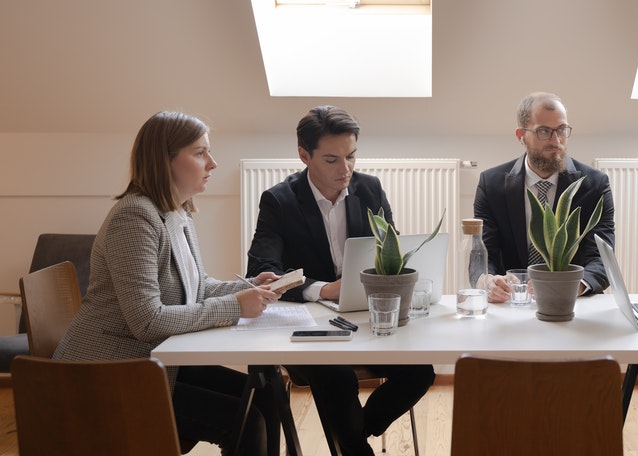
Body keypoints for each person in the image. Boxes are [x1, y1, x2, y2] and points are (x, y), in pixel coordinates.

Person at [54, 111, 284, 455]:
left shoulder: (177, 213)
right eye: (200, 152)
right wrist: (235, 306)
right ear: (165, 161)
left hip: (152, 364)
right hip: (105, 377)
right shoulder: (134, 217)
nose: (213, 163)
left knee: (267, 394)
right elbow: (147, 321)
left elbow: (198, 287)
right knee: (247, 418)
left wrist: (248, 287)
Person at [246, 105, 435, 456]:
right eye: (332, 160)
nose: (346, 169)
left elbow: (390, 254)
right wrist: (322, 289)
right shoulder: (279, 200)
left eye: (351, 156)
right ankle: (355, 448)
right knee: (336, 376)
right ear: (305, 155)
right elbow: (260, 271)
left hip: (363, 320)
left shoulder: (370, 189)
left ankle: (356, 436)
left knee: (420, 371)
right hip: (306, 329)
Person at [473, 92, 615, 302]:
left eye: (561, 130)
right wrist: (487, 281)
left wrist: (573, 286)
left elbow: (602, 259)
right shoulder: (491, 184)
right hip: (512, 302)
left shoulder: (595, 185)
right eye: (543, 132)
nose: (556, 140)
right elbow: (483, 254)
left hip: (571, 302)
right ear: (521, 135)